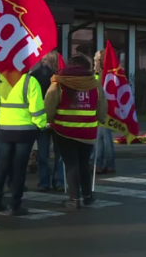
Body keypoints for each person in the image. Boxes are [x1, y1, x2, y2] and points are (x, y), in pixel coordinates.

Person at [44, 55, 107, 209]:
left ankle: (74, 199)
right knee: (84, 163)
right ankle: (87, 196)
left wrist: (50, 120)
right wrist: (101, 118)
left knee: (71, 164)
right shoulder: (95, 83)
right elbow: (102, 106)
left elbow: (50, 103)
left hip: (64, 131)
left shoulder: (58, 82)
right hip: (87, 131)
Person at [0, 73, 46, 216]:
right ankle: (15, 205)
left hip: (3, 130)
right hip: (25, 131)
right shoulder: (30, 81)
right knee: (19, 168)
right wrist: (41, 125)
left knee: (2, 166)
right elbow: (36, 107)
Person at [29, 50, 65, 191]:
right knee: (59, 153)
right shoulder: (63, 77)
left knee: (43, 153)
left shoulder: (35, 76)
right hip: (58, 119)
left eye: (44, 59)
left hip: (42, 120)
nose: (42, 61)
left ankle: (44, 182)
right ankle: (59, 181)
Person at [92, 49, 116, 174]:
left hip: (102, 109)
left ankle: (101, 163)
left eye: (96, 60)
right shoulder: (104, 74)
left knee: (103, 137)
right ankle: (102, 163)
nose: (94, 62)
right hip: (103, 109)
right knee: (100, 138)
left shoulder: (103, 76)